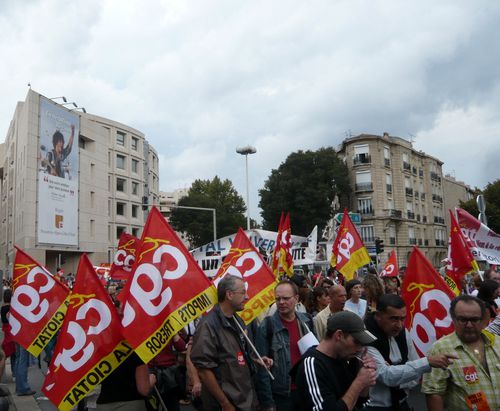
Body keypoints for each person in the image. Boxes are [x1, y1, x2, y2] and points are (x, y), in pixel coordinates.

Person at [190, 275, 271, 411]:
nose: (246, 297)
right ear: (229, 294)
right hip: (227, 403)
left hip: (245, 399)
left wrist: (255, 360)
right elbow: (204, 370)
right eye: (243, 292)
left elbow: (236, 356)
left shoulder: (237, 320)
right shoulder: (208, 325)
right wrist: (224, 403)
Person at [363, 294, 456, 410]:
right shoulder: (366, 338)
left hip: (402, 403)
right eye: (394, 319)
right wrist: (425, 363)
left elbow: (414, 373)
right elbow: (386, 376)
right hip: (376, 407)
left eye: (402, 319)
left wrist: (399, 375)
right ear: (378, 316)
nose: (399, 325)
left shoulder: (403, 332)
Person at [422, 295, 500, 410]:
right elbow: (434, 393)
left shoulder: (497, 343)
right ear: (453, 319)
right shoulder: (440, 349)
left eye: (474, 320)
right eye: (463, 320)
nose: (469, 325)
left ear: (483, 319)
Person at [292, 311, 377, 411]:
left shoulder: (346, 358)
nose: (360, 348)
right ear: (339, 335)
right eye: (357, 342)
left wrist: (366, 378)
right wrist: (359, 383)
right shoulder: (312, 364)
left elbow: (360, 403)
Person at [255, 281, 316, 411]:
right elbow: (262, 369)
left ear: (296, 298)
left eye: (286, 298)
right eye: (278, 299)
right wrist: (268, 403)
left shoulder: (307, 321)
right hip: (282, 396)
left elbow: (316, 355)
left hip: (307, 391)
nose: (281, 302)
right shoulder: (267, 326)